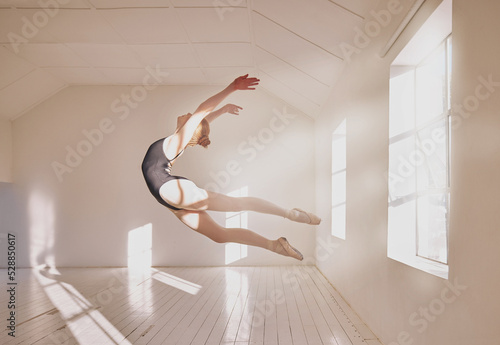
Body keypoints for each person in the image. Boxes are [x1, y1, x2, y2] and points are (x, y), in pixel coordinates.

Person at [141, 75, 320, 261]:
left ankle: (294, 215)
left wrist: (232, 88)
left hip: (173, 191)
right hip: (168, 198)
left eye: (191, 118)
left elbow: (202, 112)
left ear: (191, 127)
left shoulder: (176, 142)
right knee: (219, 235)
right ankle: (275, 246)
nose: (188, 114)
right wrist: (224, 110)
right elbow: (202, 120)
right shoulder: (177, 142)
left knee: (236, 204)